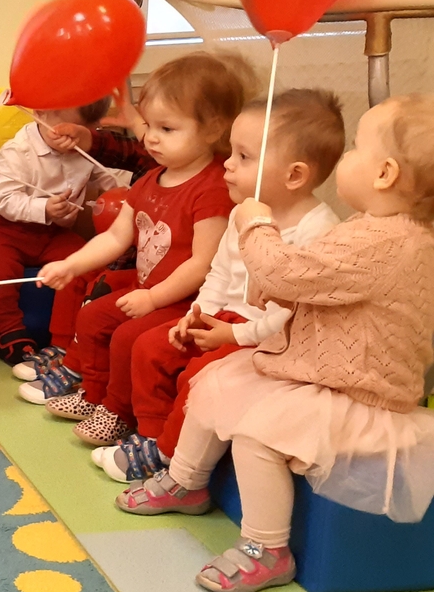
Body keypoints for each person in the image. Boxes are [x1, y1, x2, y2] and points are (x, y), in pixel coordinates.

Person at [117, 95, 434, 592]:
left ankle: (266, 548)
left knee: (257, 435)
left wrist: (255, 223)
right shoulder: (373, 229)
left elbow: (285, 273)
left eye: (355, 148)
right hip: (317, 373)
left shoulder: (388, 241)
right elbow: (306, 285)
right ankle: (186, 479)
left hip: (359, 393)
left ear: (385, 174)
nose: (345, 158)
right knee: (217, 381)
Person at [92, 90, 342, 481]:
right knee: (151, 347)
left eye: (244, 156)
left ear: (294, 175)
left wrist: (234, 334)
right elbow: (220, 272)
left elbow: (290, 317)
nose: (226, 163)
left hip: (270, 339)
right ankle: (151, 434)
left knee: (200, 375)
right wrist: (199, 314)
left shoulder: (318, 231)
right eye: (232, 152)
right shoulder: (242, 211)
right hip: (224, 319)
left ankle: (169, 452)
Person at [31, 52, 247, 443]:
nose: (150, 137)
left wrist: (153, 298)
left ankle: (120, 412)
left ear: (213, 129)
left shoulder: (213, 187)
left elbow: (203, 264)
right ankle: (95, 395)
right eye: (148, 125)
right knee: (93, 317)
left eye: (167, 128)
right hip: (148, 290)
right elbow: (116, 237)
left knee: (129, 337)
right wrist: (72, 265)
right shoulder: (152, 179)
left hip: (187, 301)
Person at [0, 94, 124, 370]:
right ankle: (8, 331)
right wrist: (43, 208)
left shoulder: (87, 149)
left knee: (86, 265)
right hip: (4, 228)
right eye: (64, 131)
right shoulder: (17, 151)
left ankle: (66, 338)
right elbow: (3, 198)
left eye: (82, 132)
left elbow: (114, 179)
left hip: (54, 234)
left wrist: (128, 185)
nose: (72, 140)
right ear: (39, 113)